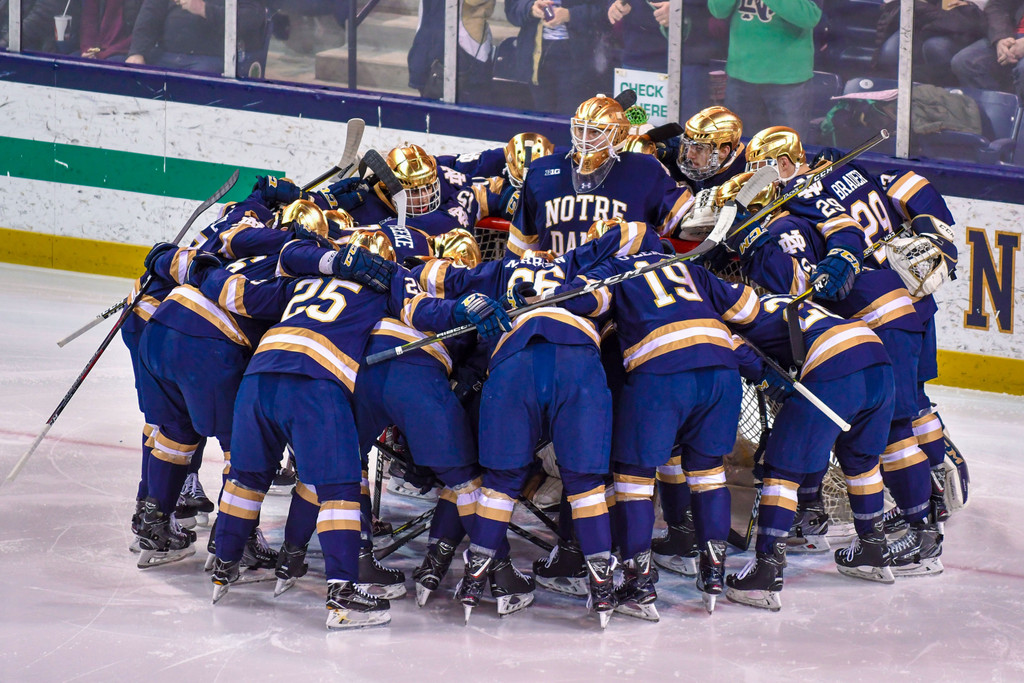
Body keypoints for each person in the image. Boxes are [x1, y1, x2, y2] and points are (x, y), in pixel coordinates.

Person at [190, 234, 510, 629]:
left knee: (246, 479)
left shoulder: (300, 280)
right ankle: (343, 596)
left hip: (258, 378)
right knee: (340, 488)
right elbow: (422, 310)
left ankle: (224, 565)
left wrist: (200, 268)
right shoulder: (389, 277)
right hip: (315, 383)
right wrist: (464, 308)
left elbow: (240, 295)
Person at [724, 175, 945, 575]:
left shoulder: (782, 227)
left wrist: (753, 241)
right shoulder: (812, 205)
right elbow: (843, 236)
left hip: (876, 322)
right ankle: (824, 515)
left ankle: (923, 534)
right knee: (848, 432)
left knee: (892, 432)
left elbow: (801, 285)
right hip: (890, 314)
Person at [557, 245, 760, 615]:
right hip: (721, 369)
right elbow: (749, 308)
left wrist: (559, 289)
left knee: (633, 479)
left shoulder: (615, 269)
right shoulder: (686, 266)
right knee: (708, 474)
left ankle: (639, 583)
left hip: (662, 373)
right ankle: (714, 573)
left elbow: (584, 302)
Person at [723, 293, 899, 610]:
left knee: (781, 470)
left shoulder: (727, 312)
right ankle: (873, 550)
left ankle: (765, 574)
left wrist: (761, 375)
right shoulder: (778, 300)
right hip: (878, 362)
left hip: (836, 365)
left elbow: (731, 344)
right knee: (861, 461)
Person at [509, 94, 692, 257]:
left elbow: (689, 223)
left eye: (595, 132)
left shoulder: (645, 170)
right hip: (555, 285)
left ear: (618, 134)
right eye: (581, 129)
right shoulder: (541, 171)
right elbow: (521, 249)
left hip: (616, 286)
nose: (585, 139)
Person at [707, 0, 821, 140]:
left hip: (788, 78)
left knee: (786, 154)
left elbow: (810, 17)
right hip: (741, 73)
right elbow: (717, 10)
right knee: (741, 153)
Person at [505, 0, 607, 114]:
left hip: (578, 58)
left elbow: (606, 11)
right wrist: (530, 9)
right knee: (540, 122)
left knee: (570, 121)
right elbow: (512, 9)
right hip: (535, 59)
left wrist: (570, 15)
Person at [127, 0, 266, 76]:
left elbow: (250, 20)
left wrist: (204, 9)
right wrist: (137, 52)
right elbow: (149, 14)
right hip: (166, 54)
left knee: (192, 90)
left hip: (213, 59)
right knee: (131, 77)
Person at [951, 0, 1024, 100]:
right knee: (965, 61)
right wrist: (1001, 38)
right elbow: (996, 6)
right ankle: (999, 109)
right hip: (1012, 34)